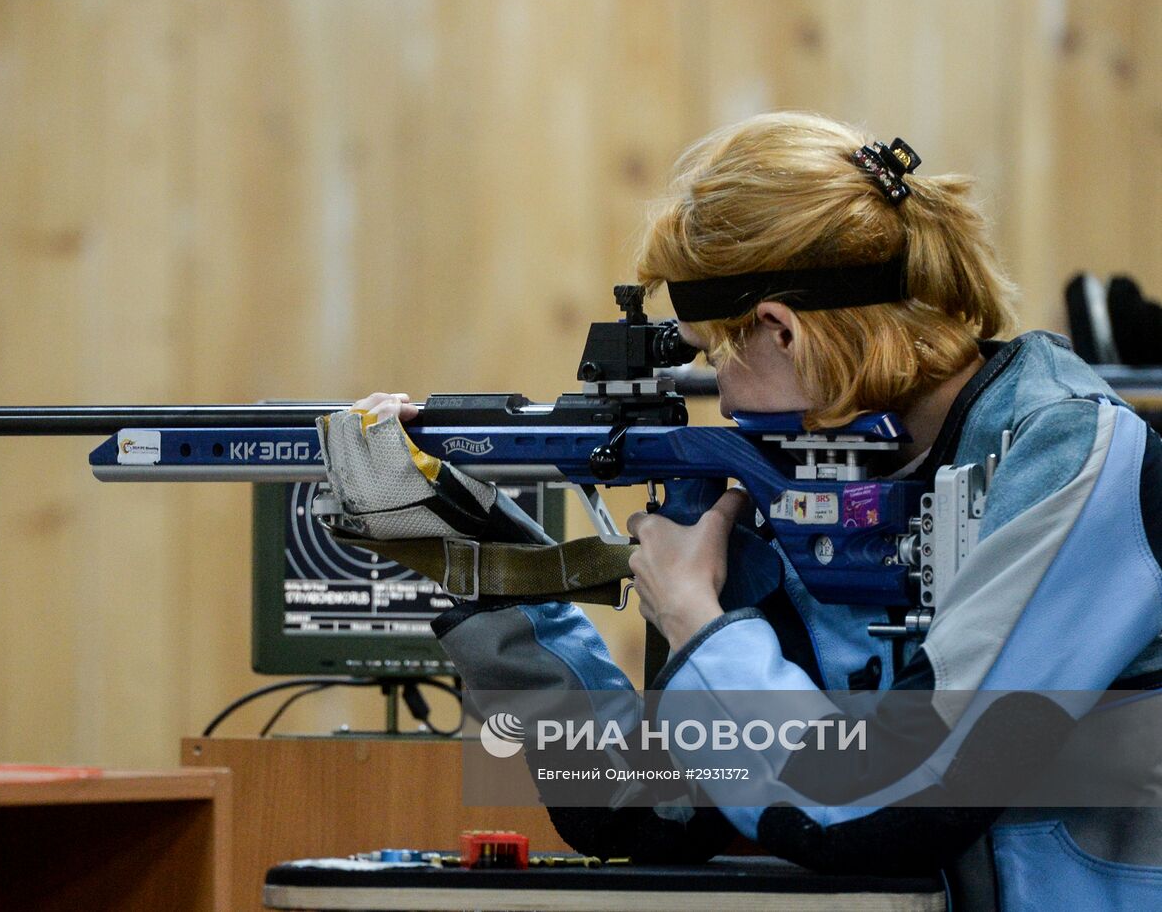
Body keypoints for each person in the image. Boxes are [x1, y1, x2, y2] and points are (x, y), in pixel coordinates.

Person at [327, 111, 1162, 910]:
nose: (717, 395)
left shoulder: (1070, 456)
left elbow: (880, 804)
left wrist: (695, 619)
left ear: (781, 329)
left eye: (710, 355)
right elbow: (638, 804)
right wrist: (462, 539)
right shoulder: (815, 476)